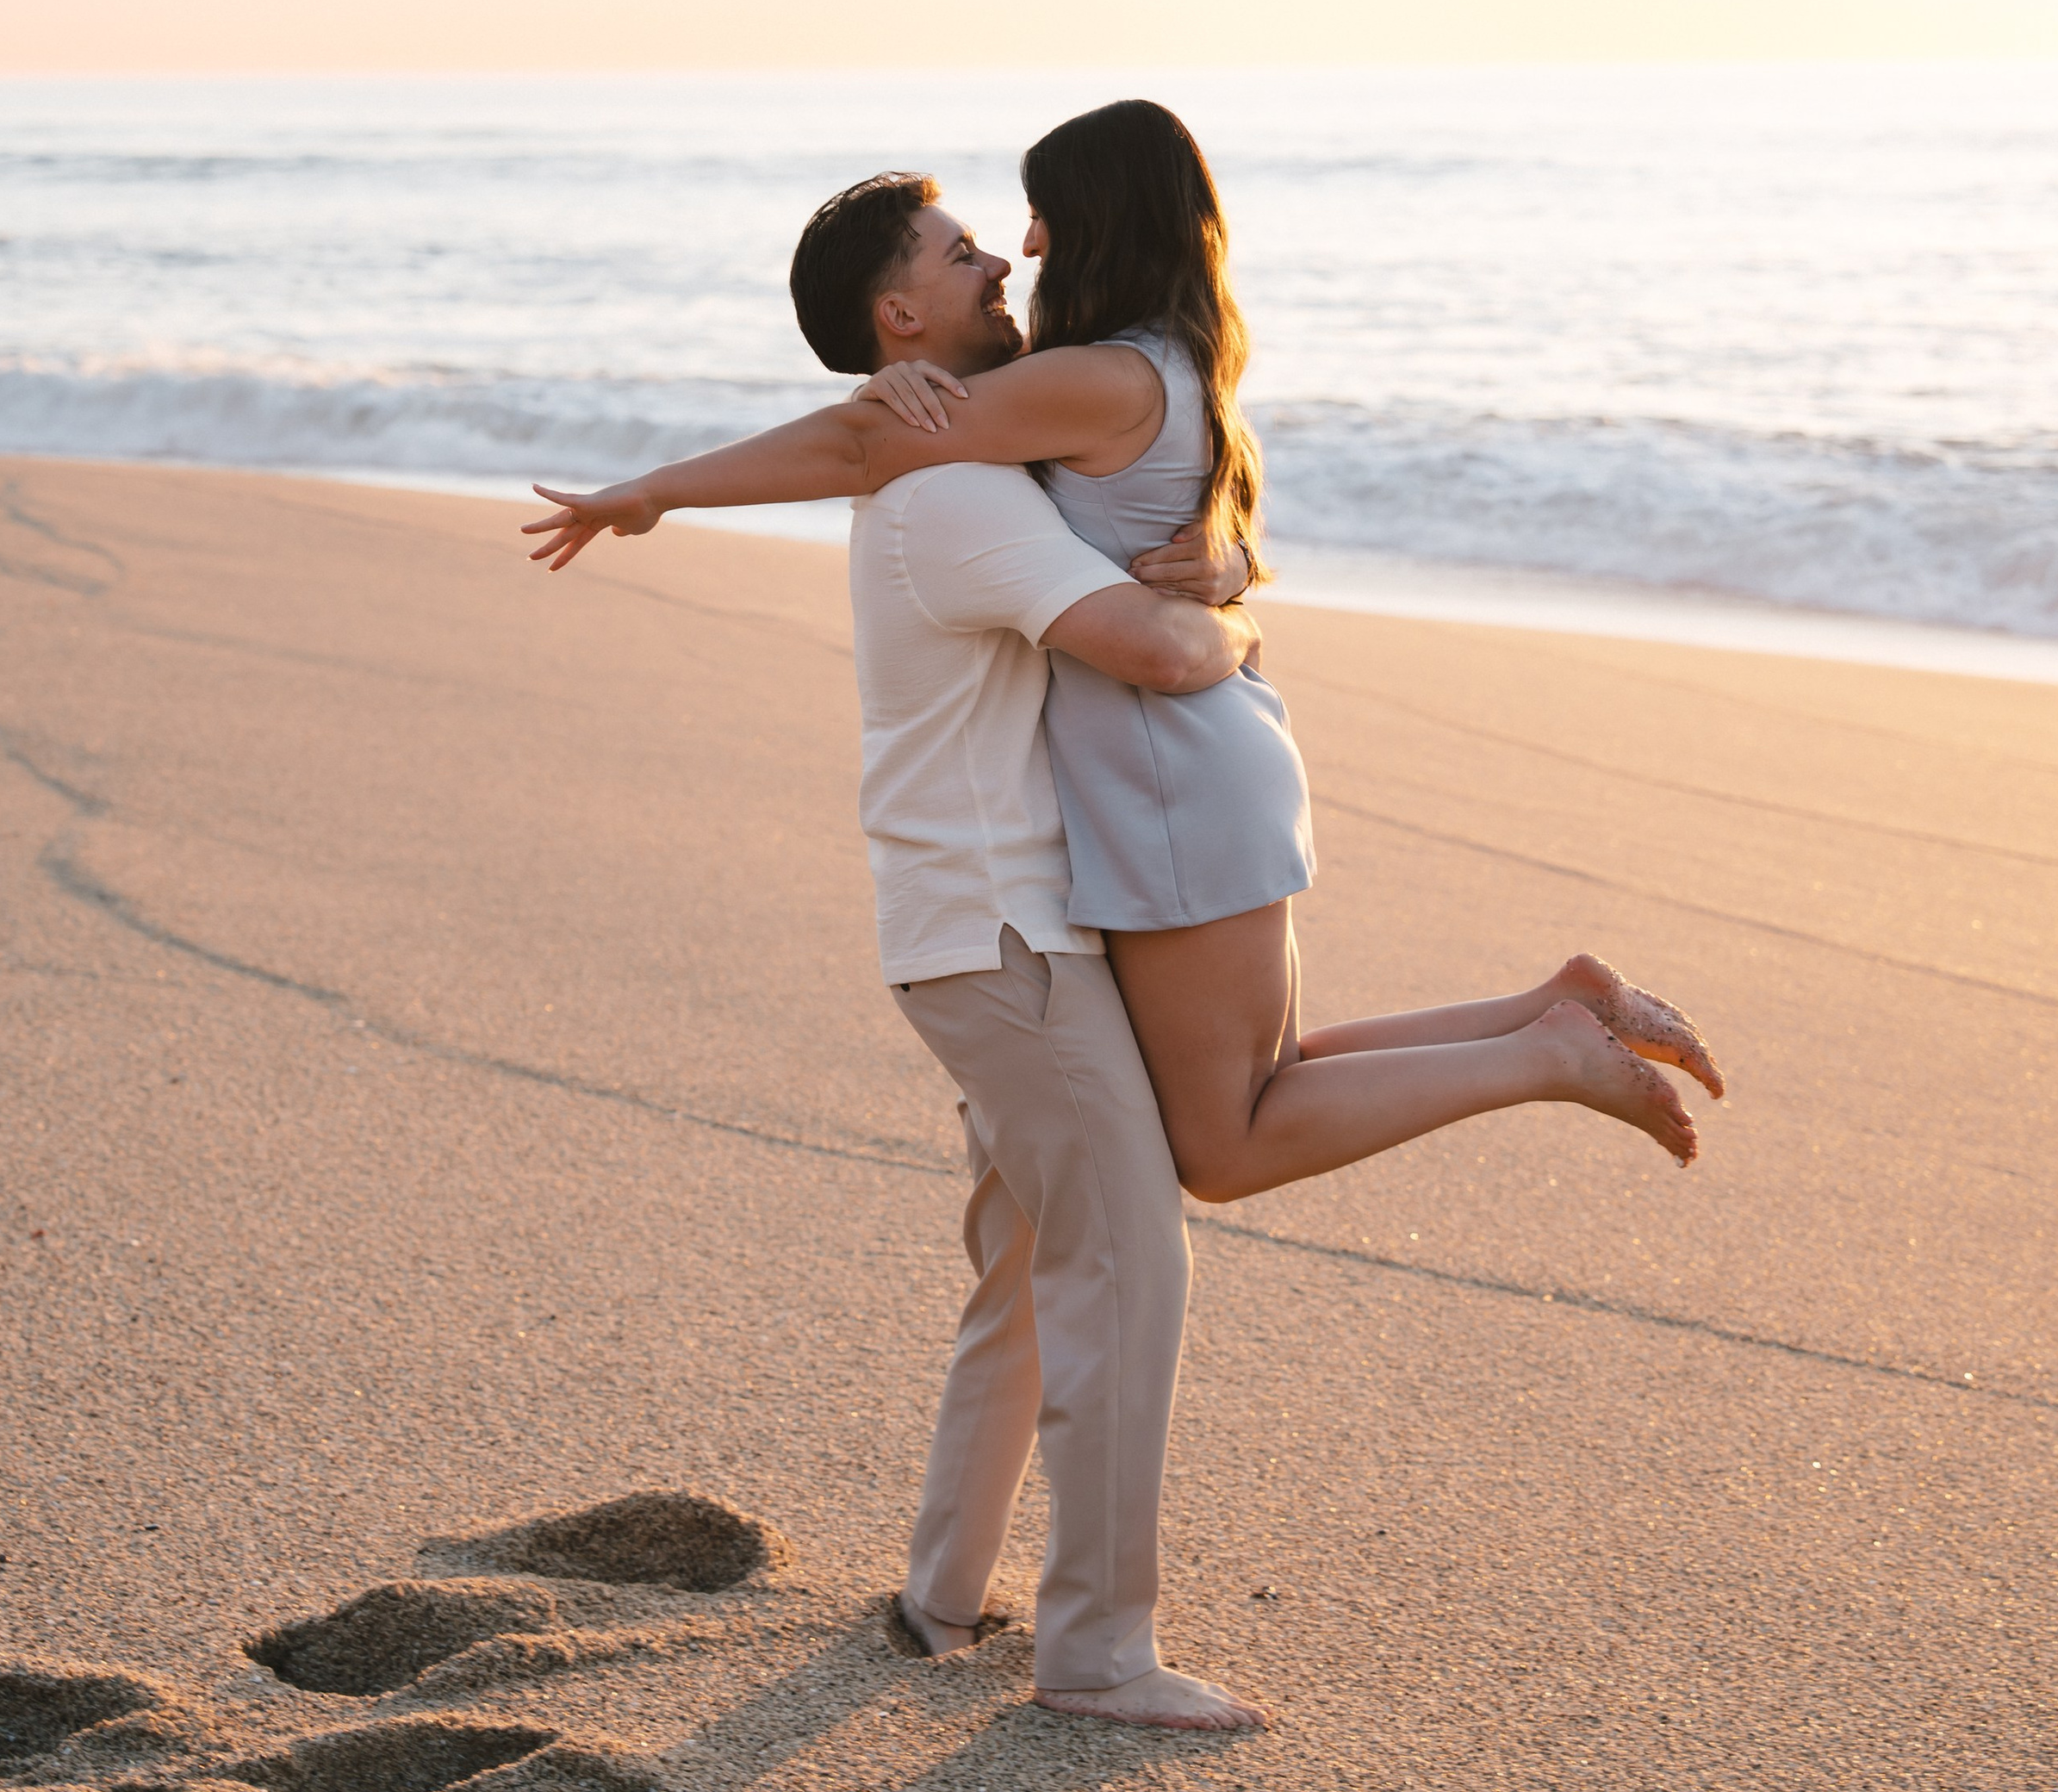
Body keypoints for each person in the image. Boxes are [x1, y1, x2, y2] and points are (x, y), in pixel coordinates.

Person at [527, 106, 1723, 1215]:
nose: (1024, 248)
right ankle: (1551, 1008)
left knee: (1226, 1145)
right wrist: (905, 381)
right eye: (991, 239)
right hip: (1206, 758)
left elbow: (859, 446)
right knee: (1271, 1076)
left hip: (1166, 777)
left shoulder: (1096, 378)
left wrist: (657, 491)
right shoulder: (1162, 360)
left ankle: (1548, 1055)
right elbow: (1092, 497)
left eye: (1039, 217)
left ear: (1102, 221)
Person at [535, 165, 1273, 1733]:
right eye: (960, 252)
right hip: (1010, 937)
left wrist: (656, 489)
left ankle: (943, 1595)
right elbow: (1154, 652)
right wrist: (1236, 621)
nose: (999, 260)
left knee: (1028, 1268)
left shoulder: (940, 456)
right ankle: (1098, 1652)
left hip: (979, 931)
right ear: (901, 313)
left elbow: (855, 441)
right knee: (1126, 1267)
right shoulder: (957, 492)